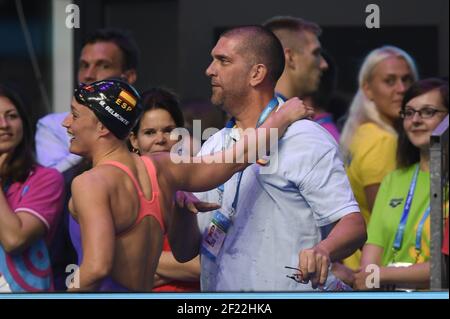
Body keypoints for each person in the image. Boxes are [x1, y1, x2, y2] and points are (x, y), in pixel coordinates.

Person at [64, 78, 313, 291]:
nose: (66, 123)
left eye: (74, 115)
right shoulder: (162, 168)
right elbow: (236, 158)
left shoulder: (90, 183)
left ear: (101, 126)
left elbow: (96, 267)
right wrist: (281, 118)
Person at [168, 26, 366, 292]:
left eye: (223, 61)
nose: (209, 70)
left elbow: (353, 224)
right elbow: (184, 252)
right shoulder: (214, 144)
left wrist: (324, 250)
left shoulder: (303, 137)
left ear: (257, 73)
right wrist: (181, 212)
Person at [352, 78, 448, 290]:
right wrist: (374, 277)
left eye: (428, 112)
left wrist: (382, 275)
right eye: (409, 112)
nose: (415, 120)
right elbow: (370, 256)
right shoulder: (393, 180)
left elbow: (443, 268)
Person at [339, 46, 418, 270]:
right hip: (378, 271)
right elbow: (387, 222)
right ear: (367, 88)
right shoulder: (382, 141)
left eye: (407, 79)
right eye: (390, 81)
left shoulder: (361, 132)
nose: (401, 89)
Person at [35, 28, 139, 173]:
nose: (88, 75)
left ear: (128, 77)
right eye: (84, 66)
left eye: (104, 65)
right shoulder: (52, 126)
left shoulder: (147, 122)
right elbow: (52, 181)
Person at [129, 88, 200, 292]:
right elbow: (112, 260)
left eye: (168, 130)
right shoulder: (121, 187)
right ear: (134, 140)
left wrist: (144, 265)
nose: (160, 139)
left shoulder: (199, 184)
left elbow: (205, 264)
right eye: (149, 132)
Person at [0, 85, 64, 292]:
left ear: (24, 124)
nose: (4, 125)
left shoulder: (45, 179)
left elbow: (14, 239)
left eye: (11, 116)